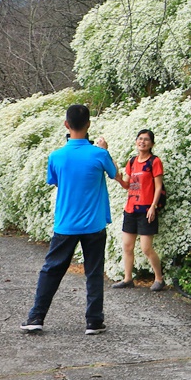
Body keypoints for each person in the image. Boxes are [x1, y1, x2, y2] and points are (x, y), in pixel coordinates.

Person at [21, 103, 117, 335]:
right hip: (94, 223)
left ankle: (36, 317)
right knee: (94, 271)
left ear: (66, 124)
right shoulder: (99, 153)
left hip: (66, 223)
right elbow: (115, 174)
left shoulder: (56, 156)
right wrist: (104, 149)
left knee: (51, 270)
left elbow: (54, 181)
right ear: (89, 125)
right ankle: (94, 321)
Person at [111, 128, 166, 292]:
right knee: (127, 247)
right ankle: (128, 279)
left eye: (146, 139)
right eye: (140, 139)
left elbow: (158, 187)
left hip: (146, 210)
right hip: (130, 209)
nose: (142, 142)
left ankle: (159, 278)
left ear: (151, 144)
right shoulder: (132, 161)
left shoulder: (154, 162)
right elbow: (128, 185)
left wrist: (153, 207)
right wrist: (119, 178)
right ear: (136, 141)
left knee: (146, 248)